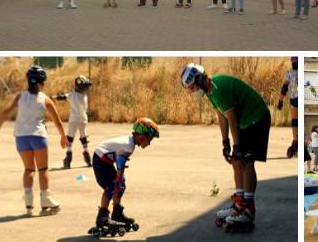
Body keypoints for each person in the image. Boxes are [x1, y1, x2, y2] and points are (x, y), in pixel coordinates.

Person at [180, 63, 271, 230]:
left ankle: (248, 210)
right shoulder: (210, 90)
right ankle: (239, 204)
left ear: (200, 80)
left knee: (247, 162)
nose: (192, 92)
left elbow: (232, 120)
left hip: (257, 117)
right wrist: (225, 144)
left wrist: (236, 148)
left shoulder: (218, 88)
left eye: (192, 87)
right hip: (244, 120)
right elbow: (222, 117)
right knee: (236, 162)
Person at [0, 65, 68, 216]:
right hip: (38, 137)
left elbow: (5, 112)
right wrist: (63, 136)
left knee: (28, 170)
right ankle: (46, 202)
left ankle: (28, 204)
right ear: (41, 83)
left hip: (21, 138)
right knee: (43, 169)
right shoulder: (45, 99)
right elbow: (57, 121)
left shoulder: (20, 97)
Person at [91, 117, 159, 230]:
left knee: (120, 185)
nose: (150, 143)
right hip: (100, 160)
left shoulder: (129, 142)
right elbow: (120, 163)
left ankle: (117, 213)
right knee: (112, 186)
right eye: (150, 139)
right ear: (142, 137)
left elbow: (118, 156)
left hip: (104, 160)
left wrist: (119, 177)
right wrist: (118, 176)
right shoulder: (129, 146)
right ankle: (102, 217)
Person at [55, 75, 93, 169]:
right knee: (83, 137)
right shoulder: (85, 96)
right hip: (83, 119)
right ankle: (87, 156)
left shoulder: (72, 95)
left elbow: (62, 97)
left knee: (70, 138)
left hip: (73, 120)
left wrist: (54, 97)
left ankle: (68, 158)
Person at [278, 57, 298, 157]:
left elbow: (284, 87)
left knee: (295, 121)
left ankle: (295, 142)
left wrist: (280, 100)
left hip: (294, 99)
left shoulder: (289, 73)